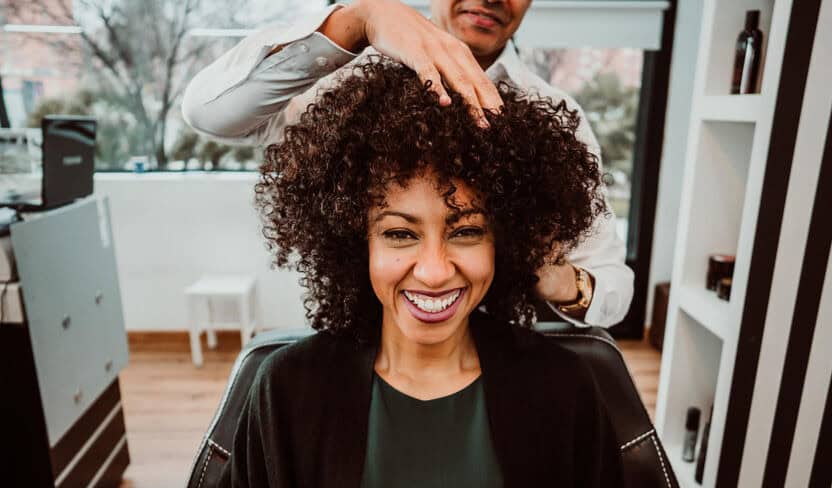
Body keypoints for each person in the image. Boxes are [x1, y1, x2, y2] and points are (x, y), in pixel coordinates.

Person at [207, 57, 639, 488]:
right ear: (353, 240)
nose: (434, 271)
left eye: (466, 231)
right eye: (399, 233)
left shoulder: (563, 388)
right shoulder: (287, 392)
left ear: (506, 240)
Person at [181, 0, 635, 328]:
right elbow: (209, 112)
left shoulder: (555, 114)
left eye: (466, 230)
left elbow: (613, 286)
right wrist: (359, 21)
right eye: (400, 232)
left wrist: (551, 278)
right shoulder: (341, 88)